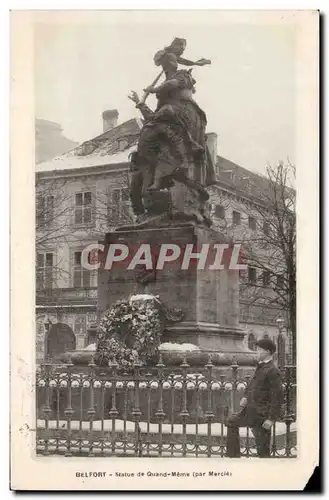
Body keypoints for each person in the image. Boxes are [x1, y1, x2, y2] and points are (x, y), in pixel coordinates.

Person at [226, 338, 284, 458]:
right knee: (232, 422)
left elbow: (277, 397)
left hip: (262, 415)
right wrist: (246, 396)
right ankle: (233, 458)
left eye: (259, 350)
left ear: (267, 352)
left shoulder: (273, 370)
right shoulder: (261, 366)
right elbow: (253, 384)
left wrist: (271, 419)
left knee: (263, 451)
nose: (256, 352)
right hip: (251, 410)